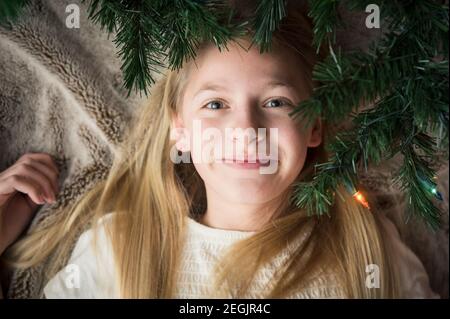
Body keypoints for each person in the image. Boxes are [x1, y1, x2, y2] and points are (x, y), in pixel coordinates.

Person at [0, 3, 438, 299]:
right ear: (180, 132)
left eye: (276, 102)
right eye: (215, 104)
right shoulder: (118, 247)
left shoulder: (364, 247)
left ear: (314, 126)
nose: (246, 130)